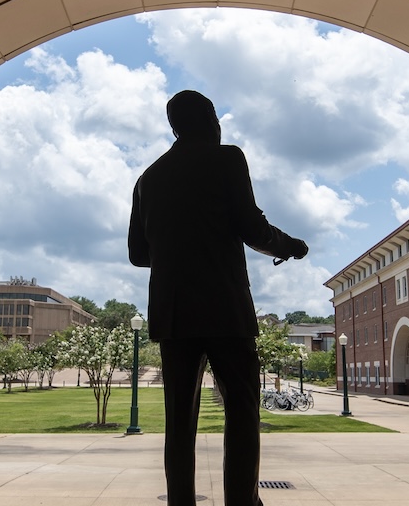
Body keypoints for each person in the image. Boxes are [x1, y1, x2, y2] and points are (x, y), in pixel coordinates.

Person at [128, 90, 308, 506]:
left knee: (180, 423)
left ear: (174, 127)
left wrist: (175, 251)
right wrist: (290, 246)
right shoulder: (228, 158)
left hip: (173, 315)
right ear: (209, 119)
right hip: (225, 308)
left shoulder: (147, 179)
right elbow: (252, 226)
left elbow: (138, 254)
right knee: (242, 410)